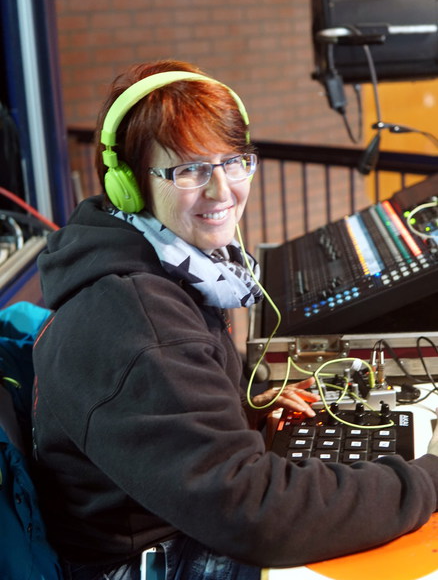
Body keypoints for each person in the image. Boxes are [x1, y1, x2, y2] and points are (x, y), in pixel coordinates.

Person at [32, 59, 438, 580]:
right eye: (189, 170)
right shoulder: (139, 320)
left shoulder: (157, 263)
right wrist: (426, 480)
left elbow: (164, 408)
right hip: (142, 559)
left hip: (171, 515)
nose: (222, 191)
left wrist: (243, 408)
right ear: (127, 183)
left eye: (234, 162)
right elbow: (259, 515)